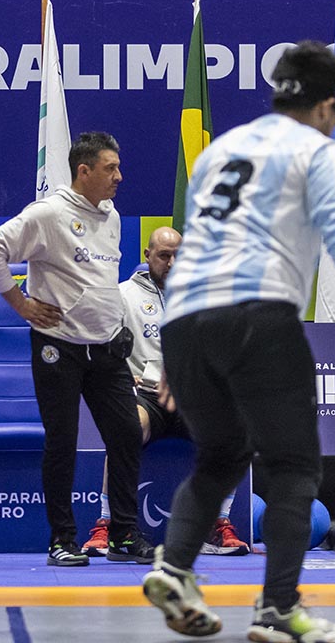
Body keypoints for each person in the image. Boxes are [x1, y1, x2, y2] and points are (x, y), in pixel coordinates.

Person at [142, 41, 335, 643]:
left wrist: (175, 350)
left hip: (185, 319)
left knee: (221, 455)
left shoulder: (220, 151)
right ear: (328, 105)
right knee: (295, 465)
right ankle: (277, 609)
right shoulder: (316, 151)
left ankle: (174, 567)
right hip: (257, 314)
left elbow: (197, 248)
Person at [0, 132, 153, 567]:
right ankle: (62, 539)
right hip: (59, 347)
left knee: (127, 434)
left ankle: (123, 535)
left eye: (118, 166)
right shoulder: (50, 213)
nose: (119, 176)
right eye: (110, 168)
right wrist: (20, 303)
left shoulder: (111, 216)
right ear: (84, 171)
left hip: (108, 349)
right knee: (62, 442)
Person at [81, 227, 249, 558]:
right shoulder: (123, 295)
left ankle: (217, 525)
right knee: (126, 428)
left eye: (178, 256)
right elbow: (101, 345)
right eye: (164, 256)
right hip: (145, 395)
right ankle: (107, 525)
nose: (172, 263)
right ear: (147, 256)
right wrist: (121, 376)